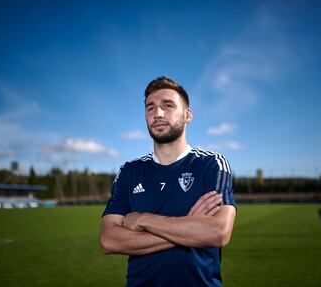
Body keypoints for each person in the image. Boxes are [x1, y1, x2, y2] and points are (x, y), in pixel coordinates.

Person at [100, 76, 237, 287]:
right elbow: (109, 240)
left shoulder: (211, 164)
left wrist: (143, 220)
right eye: (150, 108)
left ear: (188, 115)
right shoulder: (130, 171)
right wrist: (189, 228)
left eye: (168, 105)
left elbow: (218, 232)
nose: (158, 113)